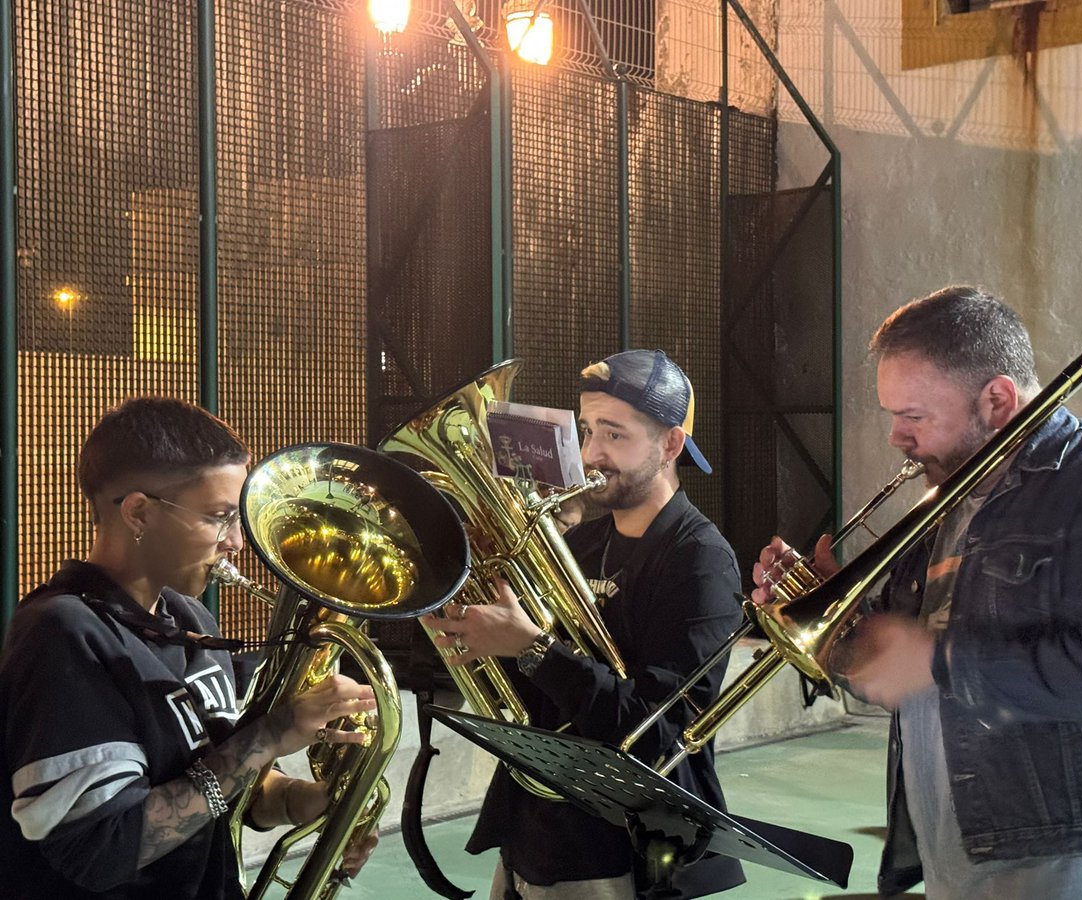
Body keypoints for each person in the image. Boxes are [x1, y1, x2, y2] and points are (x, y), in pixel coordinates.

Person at [753, 286, 1082, 899]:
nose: (895, 436)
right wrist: (835, 619)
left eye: (913, 416)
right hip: (956, 853)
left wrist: (939, 661)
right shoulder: (947, 499)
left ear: (997, 401)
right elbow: (896, 672)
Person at [0, 397, 379, 899]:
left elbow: (219, 785)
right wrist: (270, 734)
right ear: (138, 513)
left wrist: (305, 802)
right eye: (220, 517)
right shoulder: (62, 634)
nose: (236, 543)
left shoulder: (188, 618)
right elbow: (102, 849)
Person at [427, 349, 747, 899]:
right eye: (587, 430)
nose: (592, 452)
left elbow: (660, 732)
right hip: (535, 833)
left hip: (621, 854)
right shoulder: (582, 543)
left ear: (671, 445)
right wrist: (479, 628)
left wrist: (533, 648)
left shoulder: (700, 561)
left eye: (615, 434)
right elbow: (538, 700)